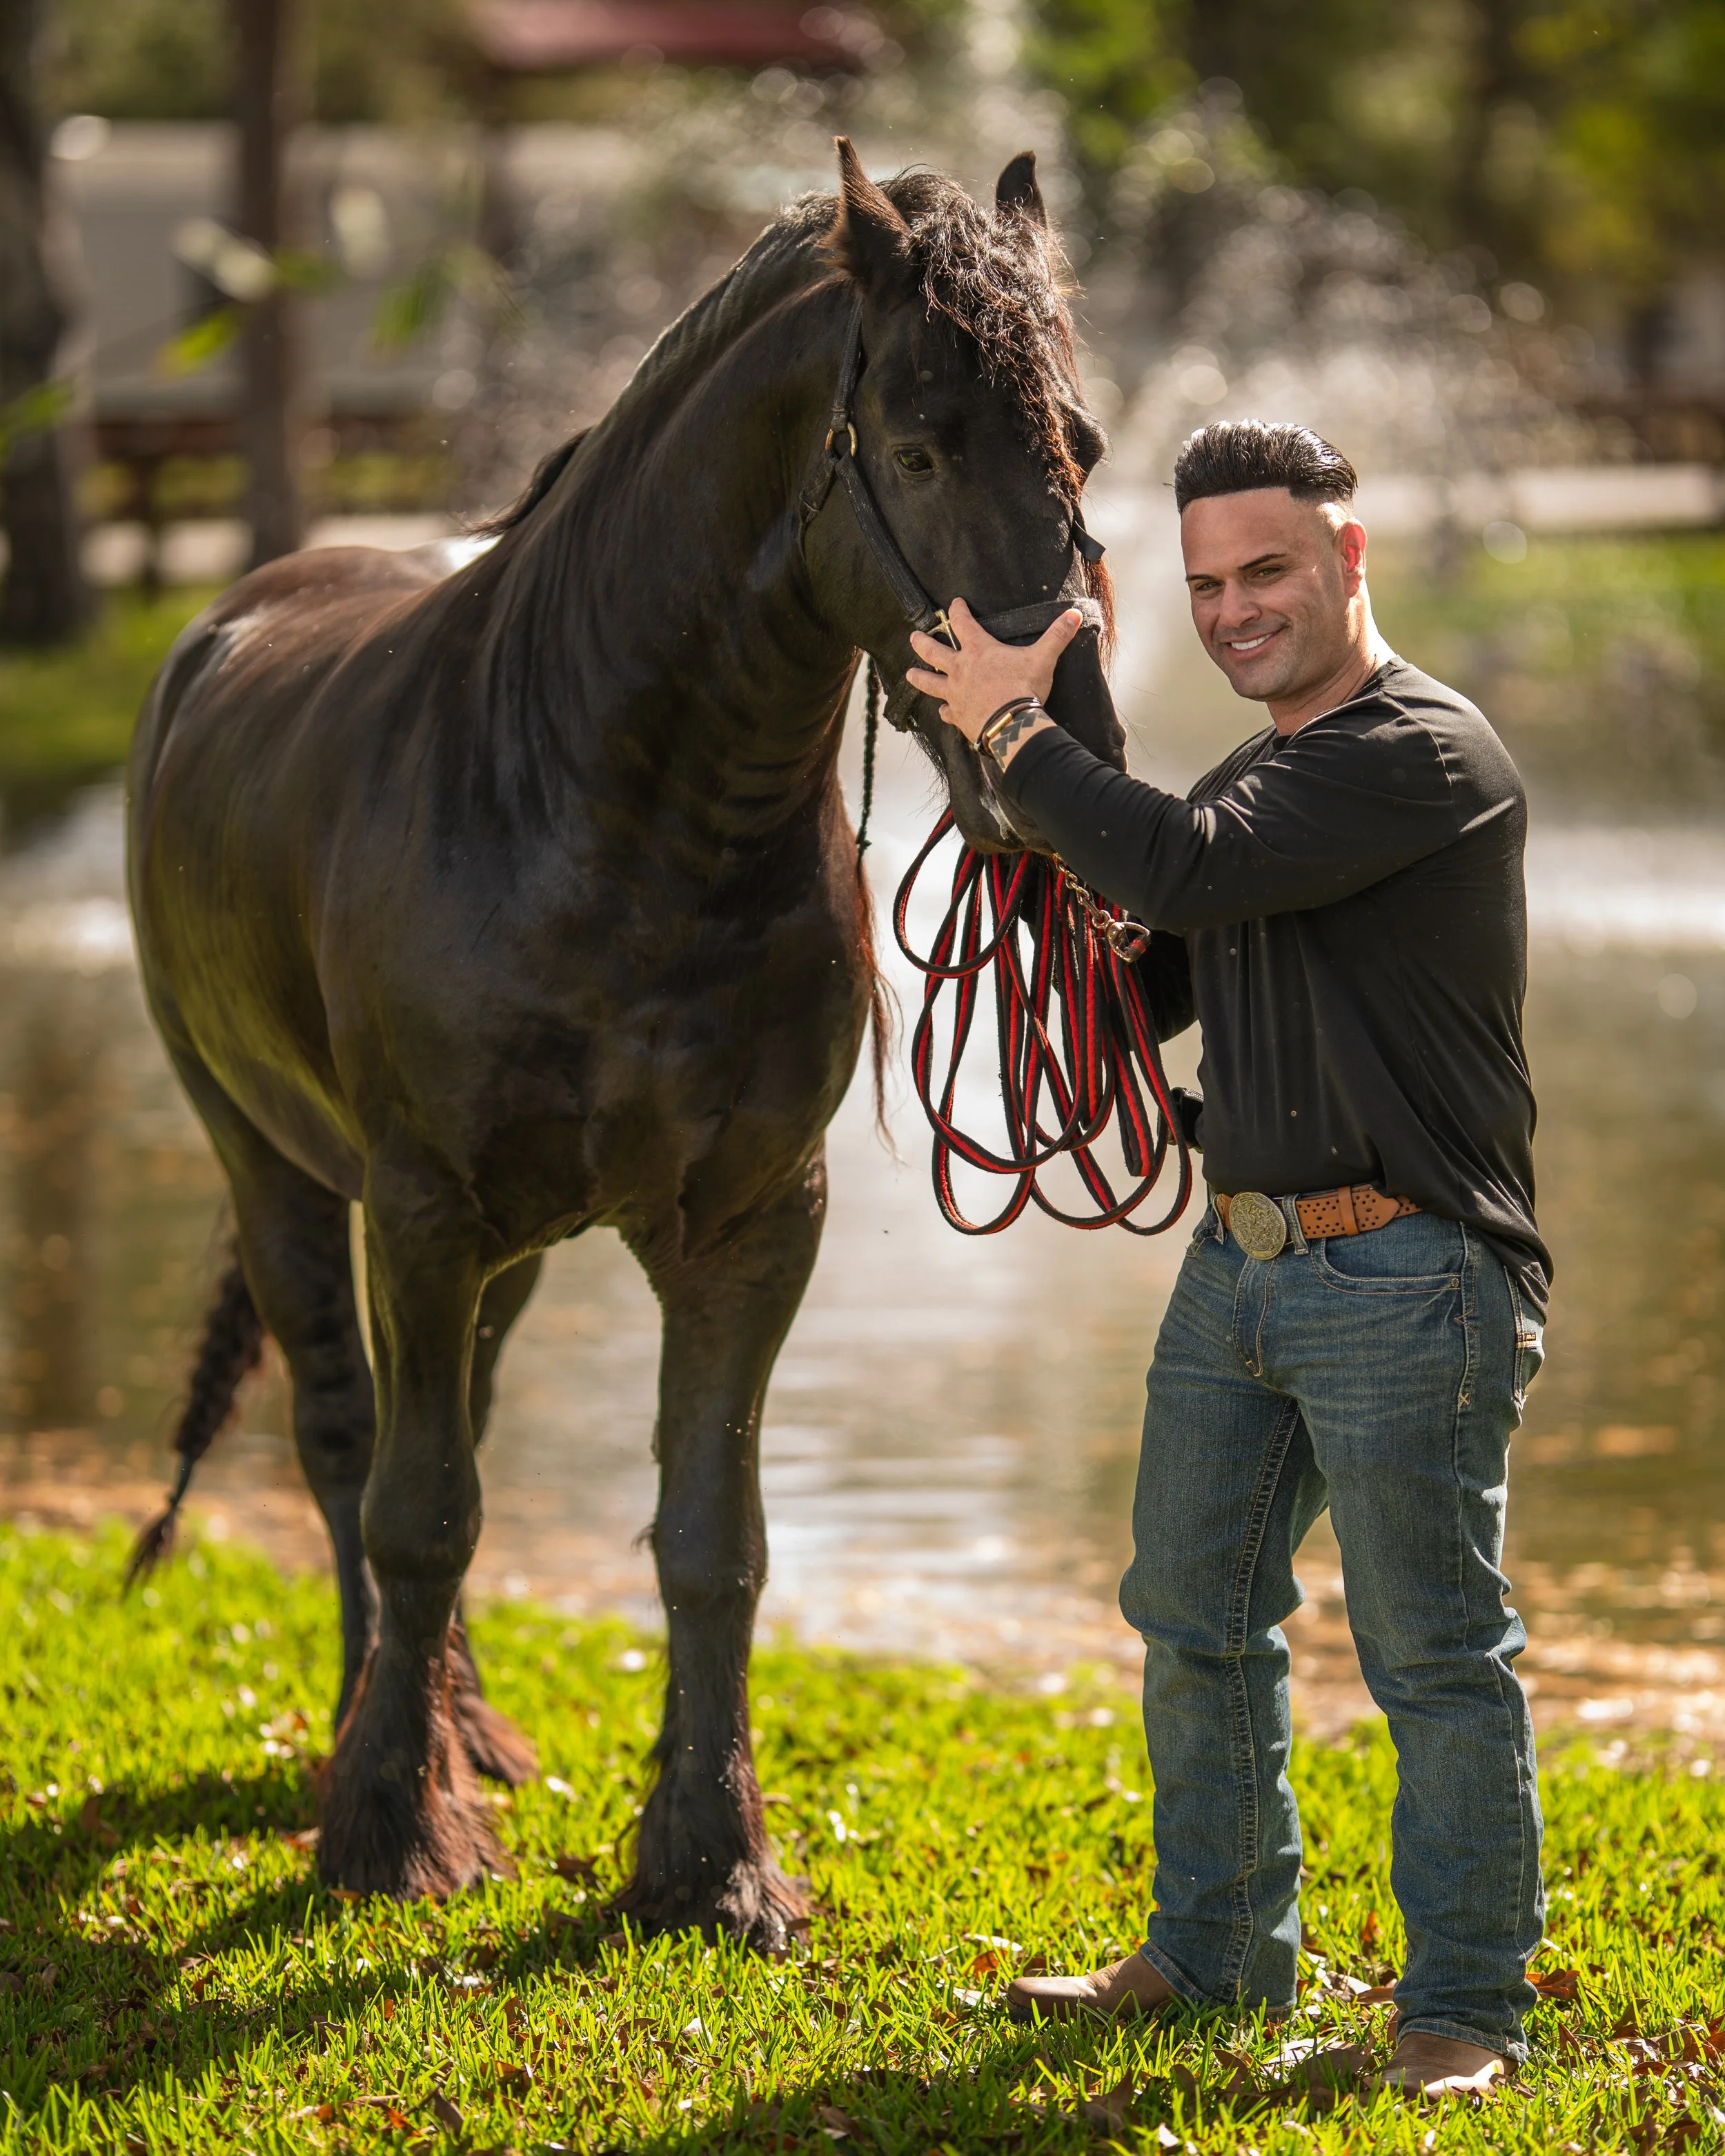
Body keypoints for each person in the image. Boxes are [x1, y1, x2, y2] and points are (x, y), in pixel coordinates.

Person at [903, 421, 1548, 2099]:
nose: (1236, 607)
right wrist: (1024, 824)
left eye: (1266, 569)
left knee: (1433, 1659)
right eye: (1202, 584)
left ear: (1347, 558)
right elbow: (1156, 962)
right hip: (1238, 1267)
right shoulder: (1259, 783)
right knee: (1190, 1614)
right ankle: (1212, 1953)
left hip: (1410, 1273)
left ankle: (1463, 2008)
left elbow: (1179, 865)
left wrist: (1018, 723)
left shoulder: (1418, 750)